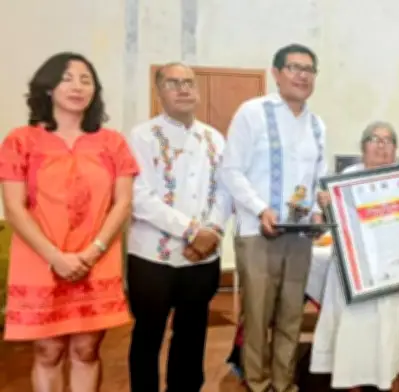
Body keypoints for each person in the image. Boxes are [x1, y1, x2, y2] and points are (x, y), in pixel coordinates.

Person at [0, 52, 139, 391]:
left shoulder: (112, 143)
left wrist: (93, 251)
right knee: (48, 351)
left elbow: (122, 203)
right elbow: (14, 208)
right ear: (47, 88)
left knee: (86, 349)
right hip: (39, 259)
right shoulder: (21, 140)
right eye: (67, 78)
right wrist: (55, 257)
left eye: (85, 79)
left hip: (97, 257)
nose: (77, 86)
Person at [220, 43, 327, 392]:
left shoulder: (317, 125)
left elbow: (316, 179)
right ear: (276, 73)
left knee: (292, 315)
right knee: (257, 316)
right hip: (257, 233)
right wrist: (258, 208)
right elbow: (231, 170)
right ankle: (256, 381)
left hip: (299, 236)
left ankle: (283, 383)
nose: (302, 75)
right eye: (294, 67)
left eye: (309, 69)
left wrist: (317, 208)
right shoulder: (252, 112)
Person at [126, 63, 230, 391]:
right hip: (152, 257)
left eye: (188, 83)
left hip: (202, 258)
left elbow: (225, 190)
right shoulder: (141, 136)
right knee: (148, 332)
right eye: (173, 83)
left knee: (193, 330)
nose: (183, 89)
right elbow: (139, 196)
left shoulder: (214, 138)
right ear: (159, 93)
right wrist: (190, 231)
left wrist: (211, 231)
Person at [310, 122, 399, 391]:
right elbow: (330, 224)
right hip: (356, 276)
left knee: (394, 338)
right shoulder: (345, 179)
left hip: (397, 273)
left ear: (396, 149)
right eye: (374, 139)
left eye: (388, 141)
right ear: (362, 146)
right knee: (355, 338)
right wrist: (326, 205)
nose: (381, 145)